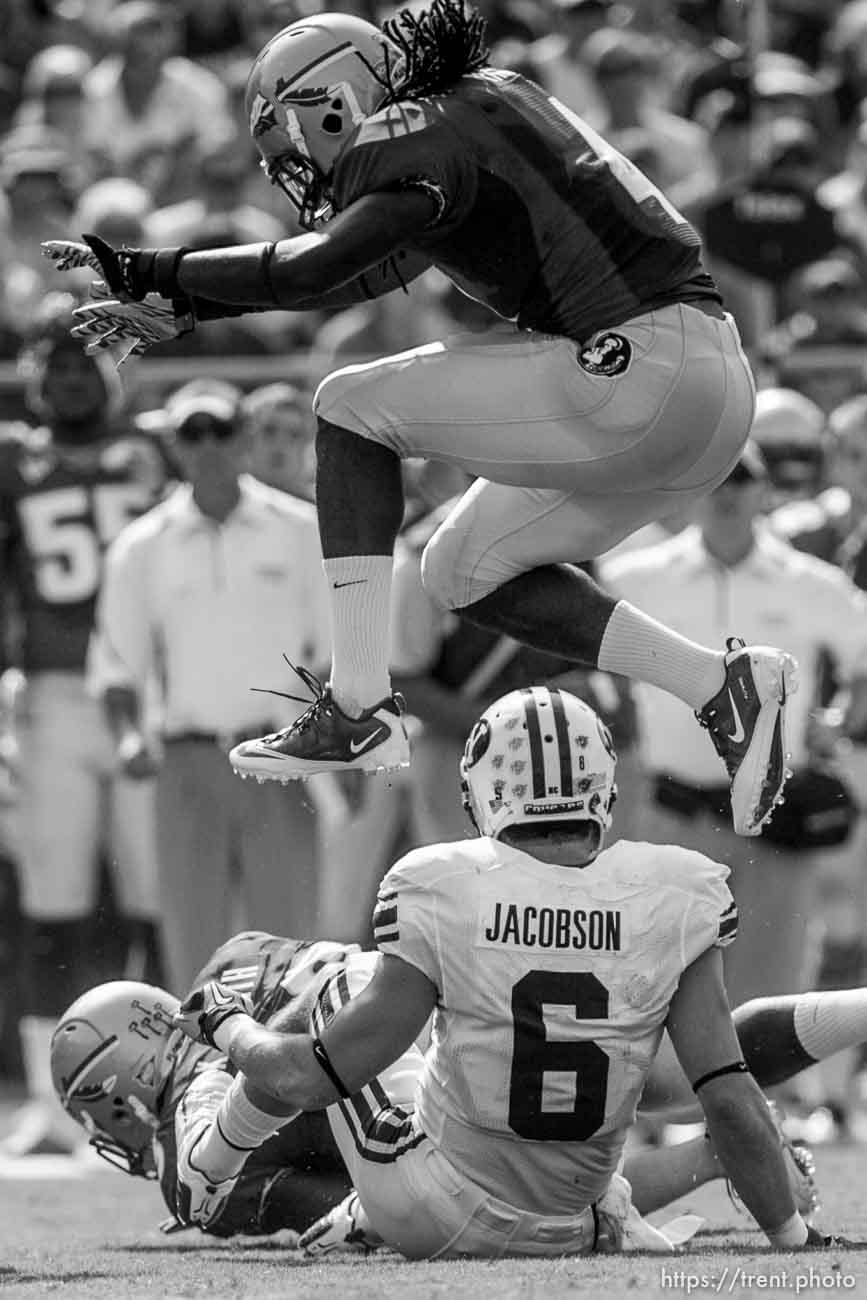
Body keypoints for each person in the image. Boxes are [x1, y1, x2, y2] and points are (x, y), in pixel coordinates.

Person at [44, 0, 797, 838]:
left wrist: (150, 272)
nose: (295, 169)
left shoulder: (415, 126)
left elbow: (315, 268)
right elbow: (356, 273)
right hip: (704, 392)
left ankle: (357, 703)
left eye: (292, 141)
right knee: (460, 570)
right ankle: (714, 685)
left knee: (347, 407)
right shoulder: (471, 109)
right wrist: (186, 308)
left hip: (635, 366)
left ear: (334, 101)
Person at [168, 687, 852, 1258]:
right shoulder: (675, 890)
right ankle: (357, 1214)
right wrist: (795, 1239)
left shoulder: (441, 884)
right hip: (572, 1226)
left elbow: (308, 1076)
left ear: (480, 791)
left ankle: (207, 1171)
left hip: (436, 1208)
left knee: (340, 976)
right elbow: (727, 1092)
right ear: (604, 788)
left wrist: (227, 1025)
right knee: (564, 1074)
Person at [600, 440, 867, 1009]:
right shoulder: (634, 576)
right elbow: (585, 662)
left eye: (742, 479)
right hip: (673, 812)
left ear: (764, 490)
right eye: (716, 479)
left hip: (774, 818)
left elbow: (864, 656)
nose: (728, 492)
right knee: (653, 987)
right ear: (692, 491)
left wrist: (841, 722)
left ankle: (772, 1104)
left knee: (769, 995)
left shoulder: (808, 581)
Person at [87, 383, 332, 994]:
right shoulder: (140, 547)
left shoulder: (301, 531)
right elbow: (117, 666)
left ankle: (294, 1084)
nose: (207, 447)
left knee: (290, 948)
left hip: (282, 754)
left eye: (219, 431)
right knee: (193, 949)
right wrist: (126, 740)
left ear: (243, 436)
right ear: (173, 445)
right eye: (191, 434)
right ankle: (200, 1084)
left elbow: (332, 655)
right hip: (187, 758)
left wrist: (337, 750)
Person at [0, 294, 167, 1157]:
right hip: (55, 697)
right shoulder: (13, 460)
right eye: (53, 365)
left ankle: (167, 1082)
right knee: (51, 905)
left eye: (82, 362)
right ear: (34, 378)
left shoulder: (155, 448)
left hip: (144, 696)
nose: (68, 378)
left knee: (154, 905)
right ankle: (44, 1097)